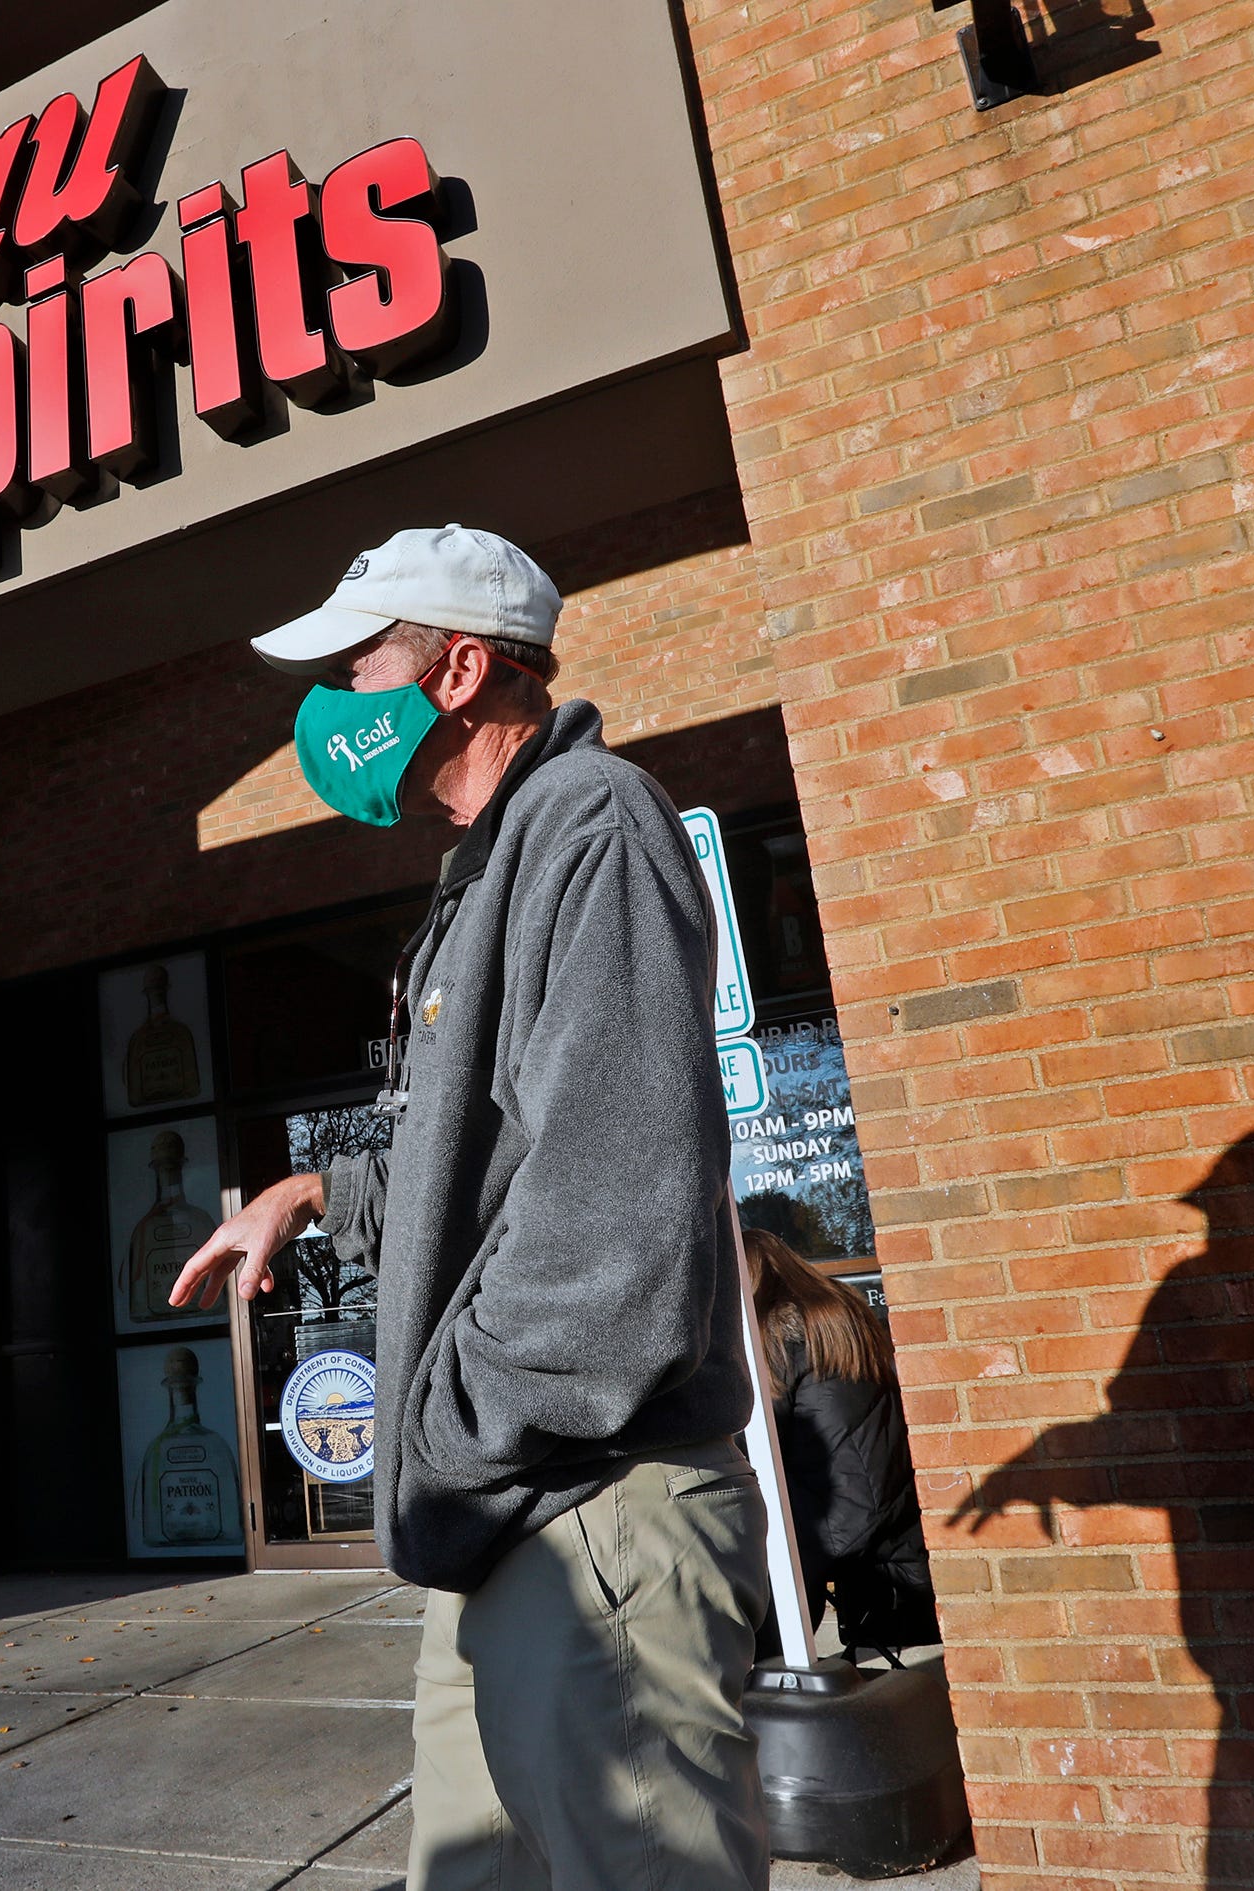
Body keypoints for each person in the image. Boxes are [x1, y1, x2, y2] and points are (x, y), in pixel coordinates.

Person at [171, 525, 769, 1891]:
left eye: (352, 666)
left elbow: (615, 1210)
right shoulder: (487, 865)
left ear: (455, 672)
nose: (328, 703)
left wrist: (448, 1431)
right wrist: (319, 1191)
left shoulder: (593, 821)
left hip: (592, 1510)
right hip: (503, 1520)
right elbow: (495, 1153)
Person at [744, 1223, 938, 1659]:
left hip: (841, 1528)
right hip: (891, 1519)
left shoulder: (781, 1341)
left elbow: (764, 1447)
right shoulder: (840, 1325)